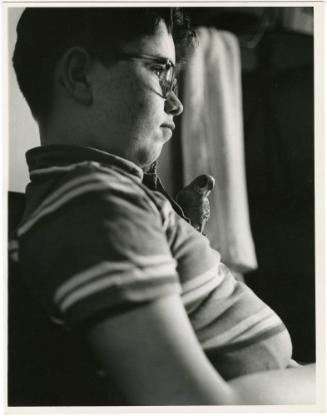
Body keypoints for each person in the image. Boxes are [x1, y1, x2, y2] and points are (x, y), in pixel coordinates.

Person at [10, 7, 315, 406]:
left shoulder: (106, 195)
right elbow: (197, 405)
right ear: (78, 75)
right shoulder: (95, 201)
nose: (177, 104)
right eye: (160, 71)